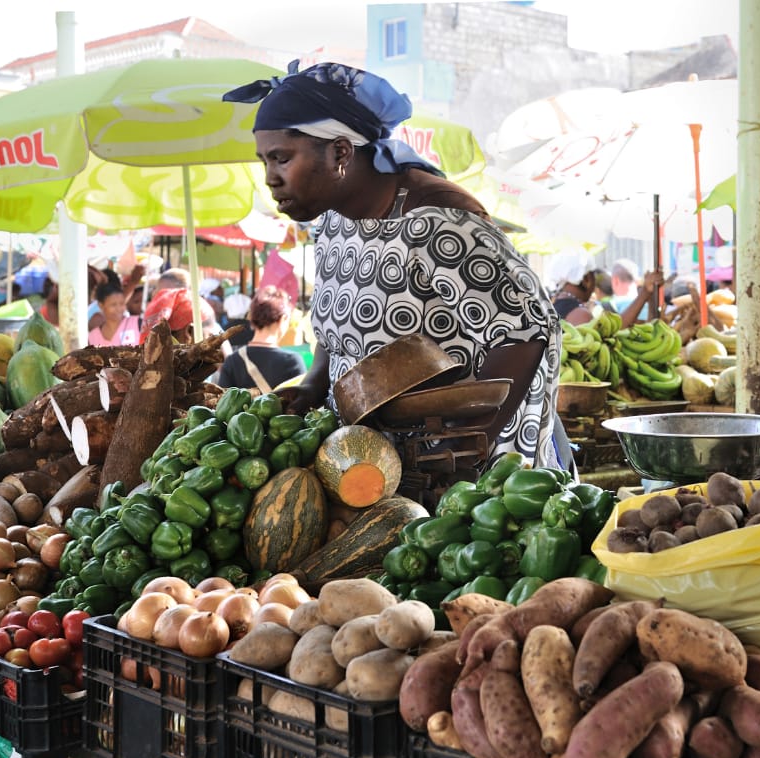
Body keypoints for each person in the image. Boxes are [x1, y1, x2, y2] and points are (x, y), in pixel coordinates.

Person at [226, 61, 562, 467]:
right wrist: (314, 383)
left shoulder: (437, 221)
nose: (270, 178)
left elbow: (525, 330)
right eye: (264, 161)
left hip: (454, 487)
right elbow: (336, 339)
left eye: (281, 158)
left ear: (340, 152)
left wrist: (459, 450)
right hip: (368, 471)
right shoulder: (332, 225)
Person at [216, 286, 306, 392]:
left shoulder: (232, 361)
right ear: (283, 319)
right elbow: (301, 405)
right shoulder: (292, 362)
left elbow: (222, 403)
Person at [548, 249, 598, 320]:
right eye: (593, 277)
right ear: (586, 279)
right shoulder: (581, 315)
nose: (595, 286)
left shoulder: (551, 308)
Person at [87, 281, 140, 347]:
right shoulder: (93, 337)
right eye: (113, 305)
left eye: (122, 303)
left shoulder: (138, 323)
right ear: (101, 305)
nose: (119, 309)